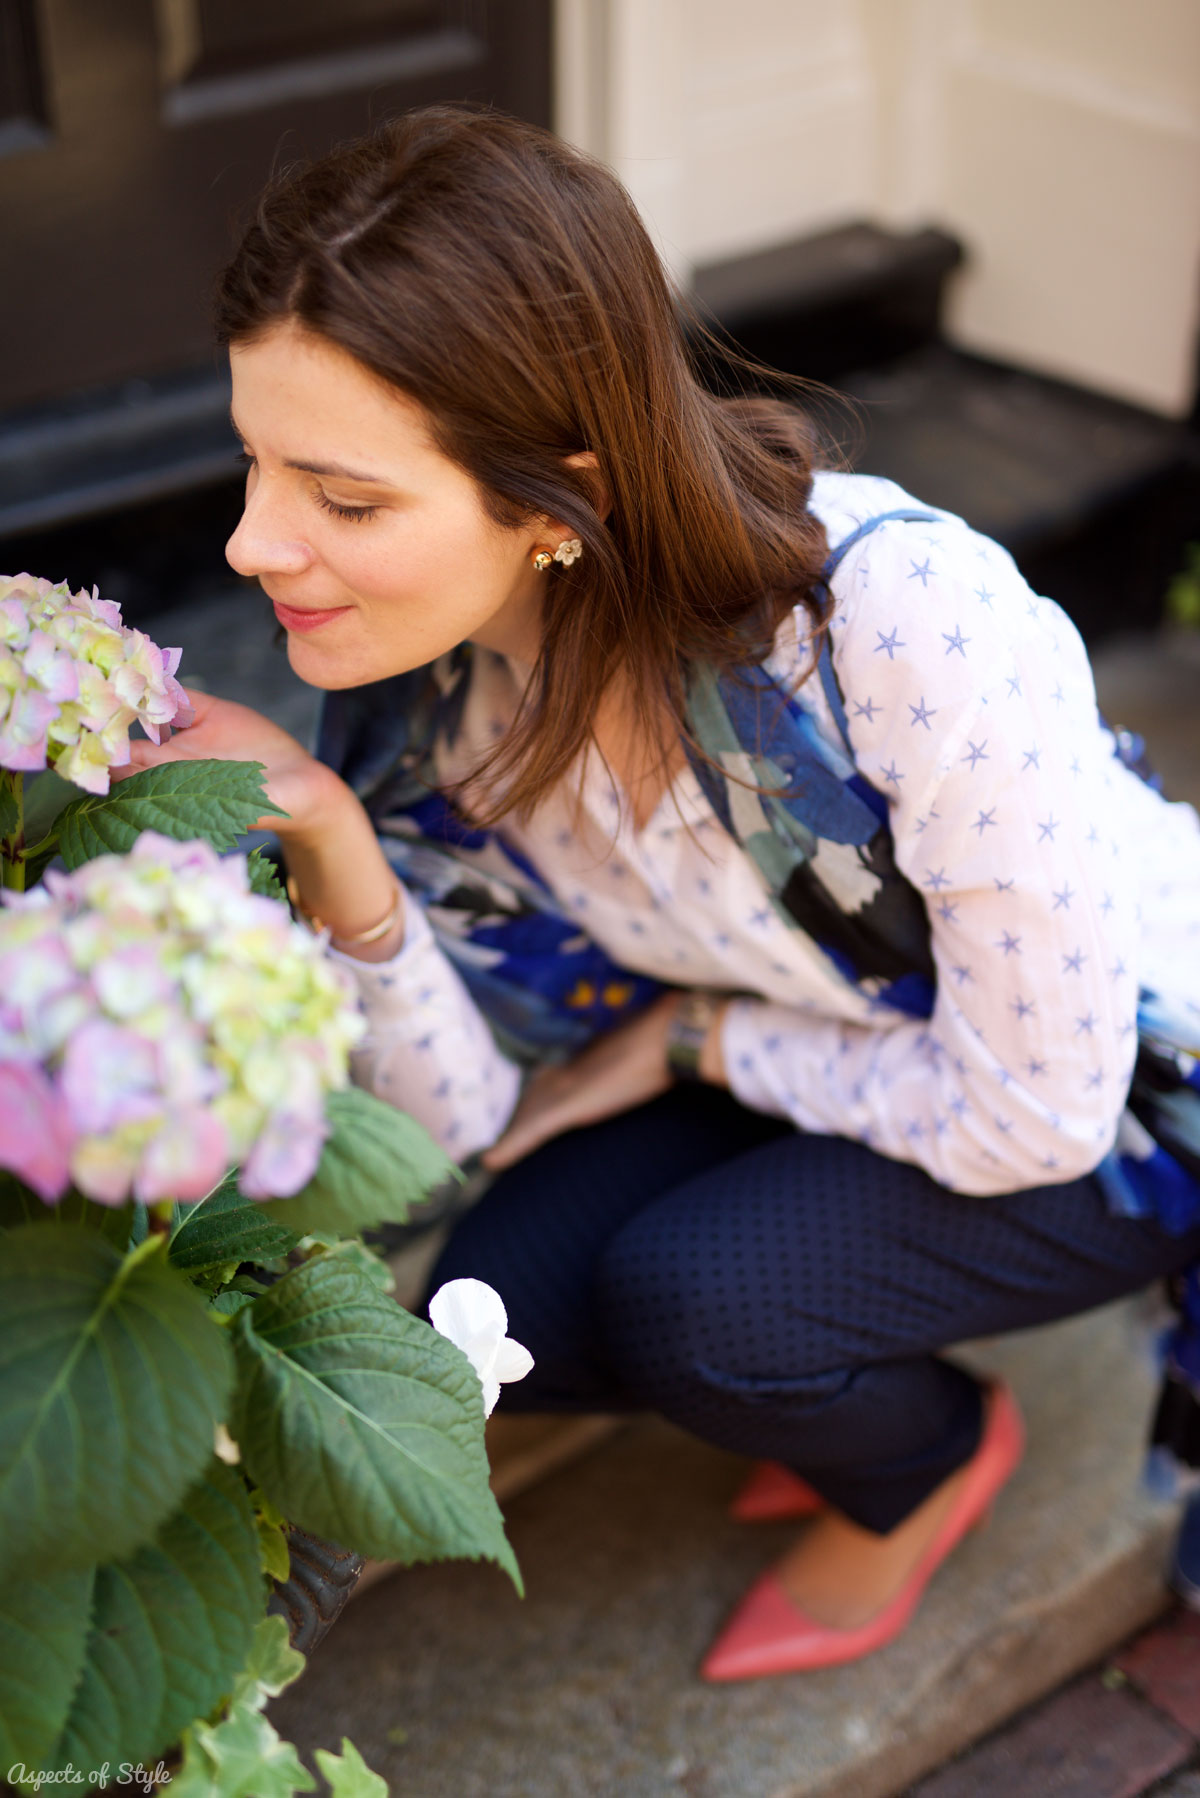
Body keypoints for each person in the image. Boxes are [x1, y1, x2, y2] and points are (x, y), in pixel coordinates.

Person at [126, 104, 1200, 1680]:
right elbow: (463, 1115)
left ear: (554, 497)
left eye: (342, 499)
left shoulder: (896, 626)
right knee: (494, 1313)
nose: (251, 541)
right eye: (254, 462)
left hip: (1121, 1079)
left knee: (703, 1305)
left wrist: (697, 1044)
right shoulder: (438, 712)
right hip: (825, 1019)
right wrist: (335, 840)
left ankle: (925, 1460)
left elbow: (1039, 1110)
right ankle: (853, 1368)